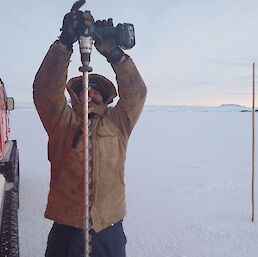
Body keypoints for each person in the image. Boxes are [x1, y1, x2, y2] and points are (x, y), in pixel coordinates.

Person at [33, 8, 147, 257]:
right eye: (87, 89)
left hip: (109, 226)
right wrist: (64, 44)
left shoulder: (118, 122)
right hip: (67, 226)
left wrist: (116, 55)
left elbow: (136, 93)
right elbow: (44, 91)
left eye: (97, 91)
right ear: (76, 95)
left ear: (105, 98)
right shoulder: (61, 121)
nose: (91, 93)